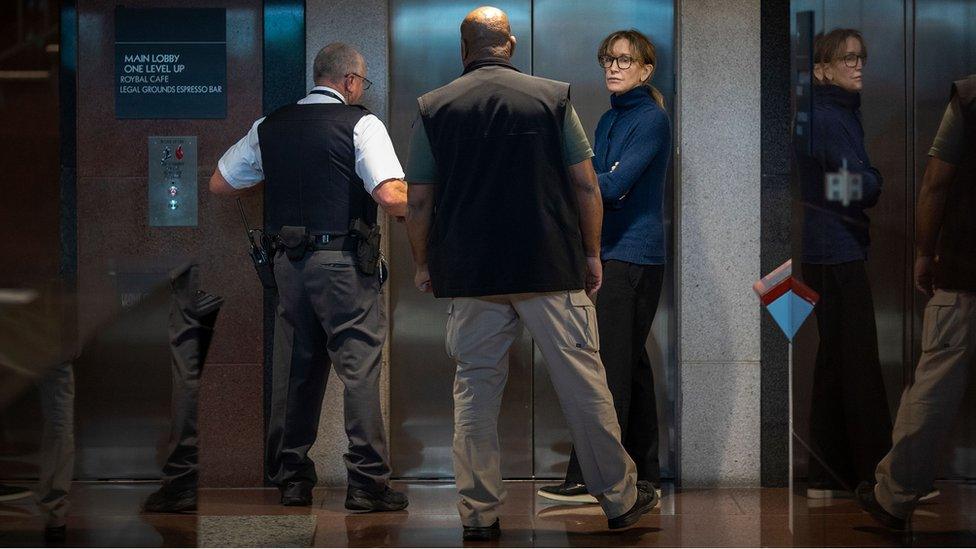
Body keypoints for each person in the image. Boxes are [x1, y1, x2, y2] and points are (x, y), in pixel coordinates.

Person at [404, 6, 657, 541]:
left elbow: (420, 200)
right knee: (585, 389)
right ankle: (619, 499)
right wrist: (592, 255)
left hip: (472, 274)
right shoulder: (551, 99)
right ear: (511, 44)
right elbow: (587, 186)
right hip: (550, 266)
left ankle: (478, 515)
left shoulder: (434, 107)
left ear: (463, 48)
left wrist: (424, 263)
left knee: (474, 394)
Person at [210, 42, 409, 511]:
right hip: (343, 264)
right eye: (362, 83)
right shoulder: (361, 123)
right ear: (350, 82)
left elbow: (221, 181)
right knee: (359, 368)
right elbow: (390, 196)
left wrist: (278, 172)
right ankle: (366, 483)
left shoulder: (271, 125)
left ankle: (293, 480)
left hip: (288, 265)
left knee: (298, 367)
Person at [538, 28, 671, 504]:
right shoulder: (608, 122)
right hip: (612, 252)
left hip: (633, 258)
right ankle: (646, 472)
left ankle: (589, 477)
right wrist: (596, 180)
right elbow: (601, 184)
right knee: (630, 364)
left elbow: (610, 189)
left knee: (608, 368)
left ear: (645, 69)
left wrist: (588, 179)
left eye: (623, 60)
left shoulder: (651, 119)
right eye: (607, 60)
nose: (613, 68)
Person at [856, 74, 976, 531]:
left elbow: (935, 181)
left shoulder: (969, 98)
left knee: (933, 389)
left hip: (966, 269)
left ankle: (894, 497)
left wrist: (926, 253)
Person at [795, 28, 892, 498]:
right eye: (848, 58)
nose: (858, 66)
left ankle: (824, 474)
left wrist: (850, 184)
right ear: (821, 69)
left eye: (861, 57)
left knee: (836, 362)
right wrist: (872, 180)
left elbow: (837, 186)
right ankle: (878, 478)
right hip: (837, 251)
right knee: (859, 364)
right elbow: (856, 187)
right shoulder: (830, 117)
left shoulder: (829, 113)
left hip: (827, 250)